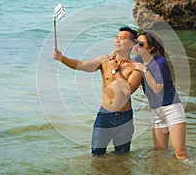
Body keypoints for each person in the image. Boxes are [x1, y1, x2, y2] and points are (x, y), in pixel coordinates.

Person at [52, 27, 142, 156]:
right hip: (104, 115)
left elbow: (127, 91)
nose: (117, 40)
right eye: (116, 37)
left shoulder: (135, 68)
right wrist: (62, 58)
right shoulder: (104, 60)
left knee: (122, 156)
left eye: (122, 38)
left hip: (124, 117)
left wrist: (114, 70)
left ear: (131, 44)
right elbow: (82, 65)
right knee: (97, 155)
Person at [131, 31, 188, 160]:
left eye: (141, 44)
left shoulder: (160, 62)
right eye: (135, 42)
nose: (136, 46)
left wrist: (144, 69)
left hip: (171, 108)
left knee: (180, 152)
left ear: (150, 48)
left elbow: (157, 88)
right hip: (156, 111)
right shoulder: (138, 60)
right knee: (160, 152)